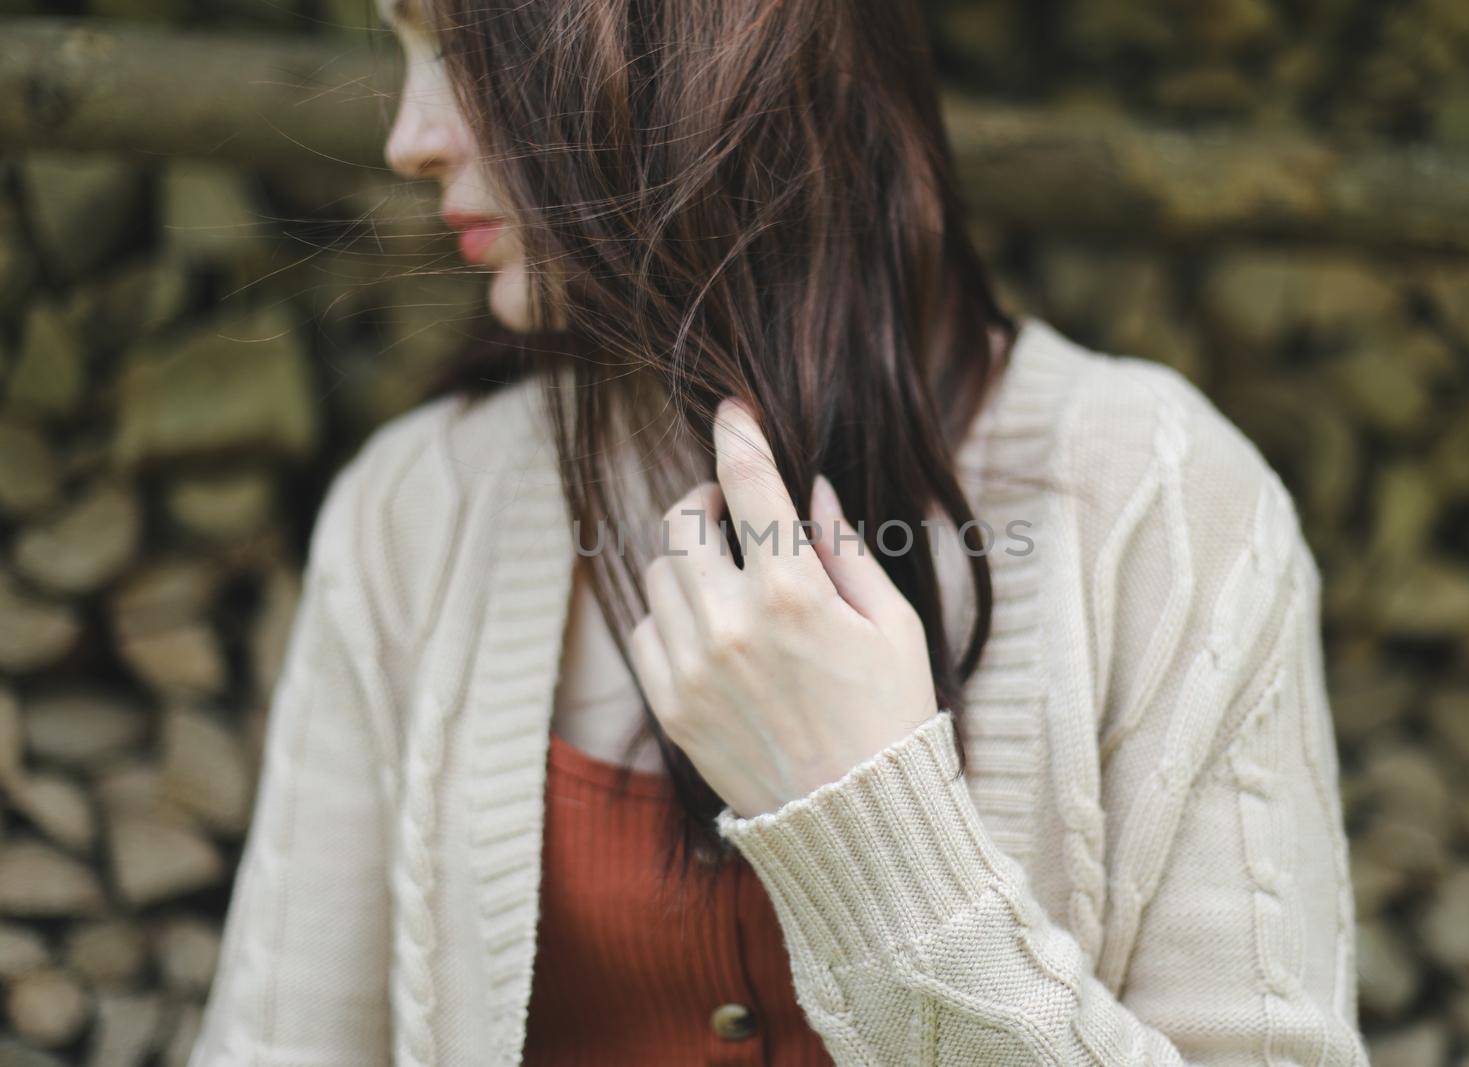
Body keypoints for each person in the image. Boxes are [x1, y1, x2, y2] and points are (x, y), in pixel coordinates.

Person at [187, 0, 1370, 1064]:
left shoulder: (1159, 498)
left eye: (458, 45)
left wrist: (868, 826)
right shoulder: (415, 514)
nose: (408, 139)